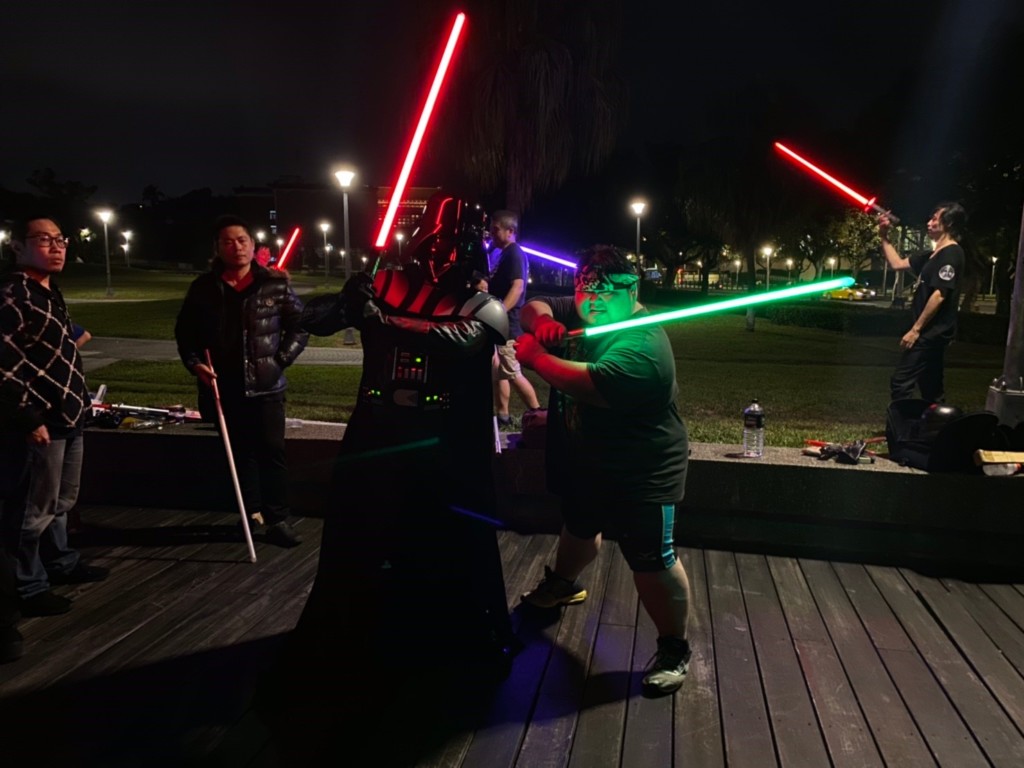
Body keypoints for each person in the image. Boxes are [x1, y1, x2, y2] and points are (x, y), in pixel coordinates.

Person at [515, 245, 692, 697]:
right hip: (587, 458)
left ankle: (674, 648)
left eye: (606, 292)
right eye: (584, 291)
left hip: (643, 468)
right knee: (579, 522)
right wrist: (542, 323)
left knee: (651, 558)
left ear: (632, 291)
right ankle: (563, 584)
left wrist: (536, 356)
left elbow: (585, 383)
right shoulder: (586, 309)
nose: (592, 301)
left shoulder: (643, 347)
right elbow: (535, 305)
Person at [174, 215, 309, 547]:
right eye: (228, 241)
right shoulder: (204, 288)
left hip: (267, 386)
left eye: (242, 240)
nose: (236, 247)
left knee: (272, 452)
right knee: (239, 454)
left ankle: (278, 519)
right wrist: (194, 364)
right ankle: (249, 515)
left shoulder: (274, 284)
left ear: (253, 245)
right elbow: (185, 333)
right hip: (224, 386)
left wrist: (280, 360)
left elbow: (301, 325)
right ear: (217, 248)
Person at [0, 216, 108, 619]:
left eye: (60, 239)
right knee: (33, 509)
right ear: (17, 246)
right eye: (44, 240)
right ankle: (26, 585)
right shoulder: (12, 294)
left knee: (62, 501)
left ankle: (60, 562)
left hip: (69, 414)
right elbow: (4, 365)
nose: (57, 247)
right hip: (41, 420)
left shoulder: (47, 291)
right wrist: (27, 417)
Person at [879, 202, 966, 403]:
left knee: (901, 382)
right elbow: (897, 264)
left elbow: (939, 295)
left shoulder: (951, 254)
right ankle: (935, 420)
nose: (929, 223)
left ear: (949, 223)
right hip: (930, 332)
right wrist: (883, 236)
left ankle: (904, 422)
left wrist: (916, 330)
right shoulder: (931, 256)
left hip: (931, 333)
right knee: (931, 386)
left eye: (935, 219)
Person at [487, 210, 541, 427]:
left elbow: (517, 287)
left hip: (507, 325)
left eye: (496, 229)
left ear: (510, 231)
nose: (491, 233)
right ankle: (503, 416)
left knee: (513, 373)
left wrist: (500, 312)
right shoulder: (504, 253)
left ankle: (539, 415)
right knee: (499, 370)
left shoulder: (515, 253)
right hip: (500, 325)